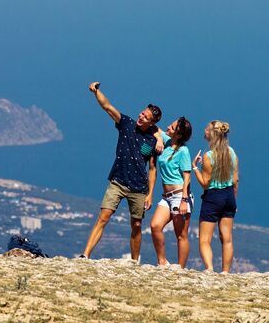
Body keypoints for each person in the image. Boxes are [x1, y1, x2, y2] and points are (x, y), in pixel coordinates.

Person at [80, 82, 162, 260]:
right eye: (142, 113)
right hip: (118, 181)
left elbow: (153, 169)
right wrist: (96, 92)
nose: (141, 117)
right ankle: (85, 255)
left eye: (146, 117)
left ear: (152, 123)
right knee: (103, 217)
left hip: (139, 187)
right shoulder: (126, 124)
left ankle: (134, 261)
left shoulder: (153, 140)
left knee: (137, 225)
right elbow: (107, 107)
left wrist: (150, 194)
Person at [191, 120, 239, 273]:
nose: (204, 130)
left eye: (207, 128)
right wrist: (234, 201)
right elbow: (235, 179)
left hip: (213, 197)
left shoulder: (208, 156)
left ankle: (210, 268)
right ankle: (225, 272)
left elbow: (205, 183)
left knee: (205, 239)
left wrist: (195, 168)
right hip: (229, 196)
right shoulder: (232, 152)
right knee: (227, 238)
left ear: (212, 133)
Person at [150, 117, 193, 268]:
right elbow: (154, 127)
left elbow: (187, 175)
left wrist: (184, 199)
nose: (168, 126)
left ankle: (180, 269)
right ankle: (162, 261)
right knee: (155, 226)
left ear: (179, 134)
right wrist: (158, 139)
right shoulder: (167, 142)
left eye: (172, 127)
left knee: (181, 235)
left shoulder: (183, 151)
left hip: (179, 195)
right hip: (166, 197)